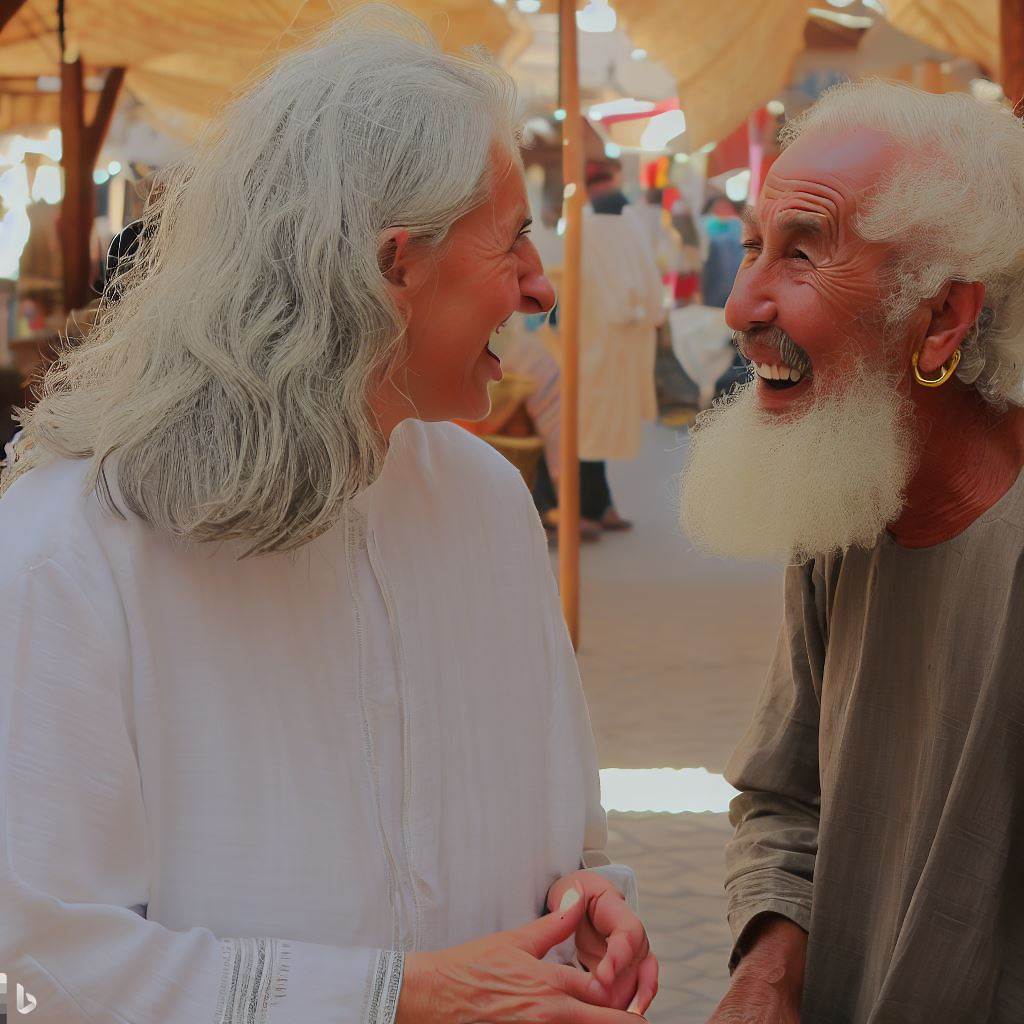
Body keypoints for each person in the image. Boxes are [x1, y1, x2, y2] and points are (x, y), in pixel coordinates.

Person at [0, 9, 657, 1023]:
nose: (538, 288)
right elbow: (35, 970)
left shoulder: (485, 502)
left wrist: (583, 898)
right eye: (514, 242)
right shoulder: (78, 544)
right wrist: (395, 996)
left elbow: (567, 833)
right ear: (393, 267)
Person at [679, 80, 1024, 1022]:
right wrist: (767, 972)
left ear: (945, 316)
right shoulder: (844, 514)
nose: (742, 304)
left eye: (803, 254)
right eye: (754, 247)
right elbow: (786, 802)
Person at [572, 168, 664, 531]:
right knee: (584, 428)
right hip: (592, 347)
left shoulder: (598, 231)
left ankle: (596, 505)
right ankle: (583, 507)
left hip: (600, 348)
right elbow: (631, 296)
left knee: (589, 428)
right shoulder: (608, 231)